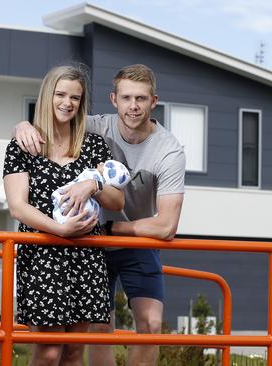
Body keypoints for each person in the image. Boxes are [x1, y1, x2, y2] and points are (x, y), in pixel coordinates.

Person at [15, 64, 186, 366]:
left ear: (153, 101)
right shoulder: (94, 127)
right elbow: (53, 121)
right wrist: (22, 126)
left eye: (141, 99)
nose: (133, 107)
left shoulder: (168, 150)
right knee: (97, 329)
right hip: (88, 244)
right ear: (113, 99)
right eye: (126, 98)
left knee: (151, 326)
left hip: (131, 239)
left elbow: (166, 226)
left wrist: (109, 227)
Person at [3, 64, 125, 366]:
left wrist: (92, 183)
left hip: (86, 256)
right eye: (60, 94)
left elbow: (117, 200)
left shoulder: (94, 145)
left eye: (75, 97)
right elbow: (18, 207)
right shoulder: (22, 146)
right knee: (47, 352)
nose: (67, 103)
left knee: (73, 352)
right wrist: (61, 231)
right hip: (43, 254)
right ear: (47, 96)